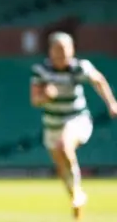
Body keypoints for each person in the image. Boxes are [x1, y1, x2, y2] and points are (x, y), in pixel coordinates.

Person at [30, 31, 117, 220]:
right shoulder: (42, 71)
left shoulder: (79, 67)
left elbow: (98, 80)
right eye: (57, 50)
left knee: (65, 145)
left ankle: (77, 191)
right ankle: (77, 200)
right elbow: (35, 100)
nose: (61, 54)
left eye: (65, 49)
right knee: (61, 166)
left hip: (77, 119)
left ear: (72, 50)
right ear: (50, 51)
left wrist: (111, 103)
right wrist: (46, 96)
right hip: (52, 124)